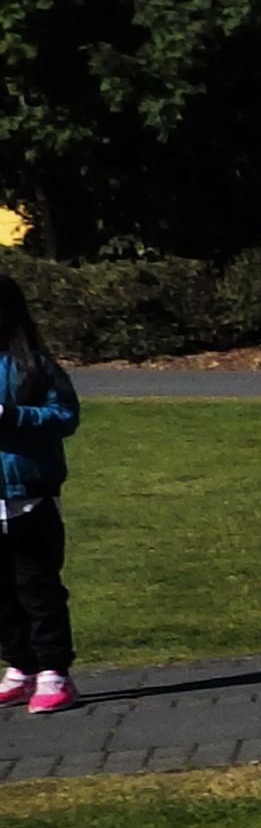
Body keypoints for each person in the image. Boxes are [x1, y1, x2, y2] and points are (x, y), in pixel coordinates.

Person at [0, 271, 77, 713]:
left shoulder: (34, 364)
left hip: (27, 496)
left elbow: (63, 415)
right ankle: (20, 666)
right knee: (1, 594)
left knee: (38, 588)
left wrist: (11, 417)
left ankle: (54, 672)